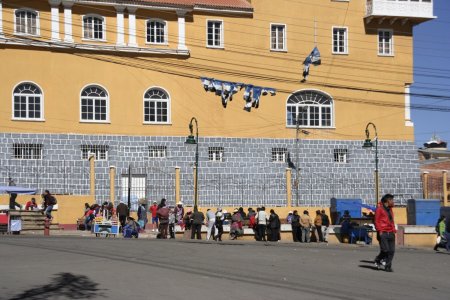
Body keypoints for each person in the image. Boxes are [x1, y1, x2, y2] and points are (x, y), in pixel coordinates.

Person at [374, 194, 396, 272]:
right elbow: (376, 221)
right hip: (383, 232)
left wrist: (393, 230)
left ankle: (388, 266)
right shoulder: (379, 209)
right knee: (385, 250)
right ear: (387, 201)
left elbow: (392, 221)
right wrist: (380, 231)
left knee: (392, 251)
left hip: (391, 233)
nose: (393, 202)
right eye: (392, 200)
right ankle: (378, 259)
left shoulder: (390, 209)